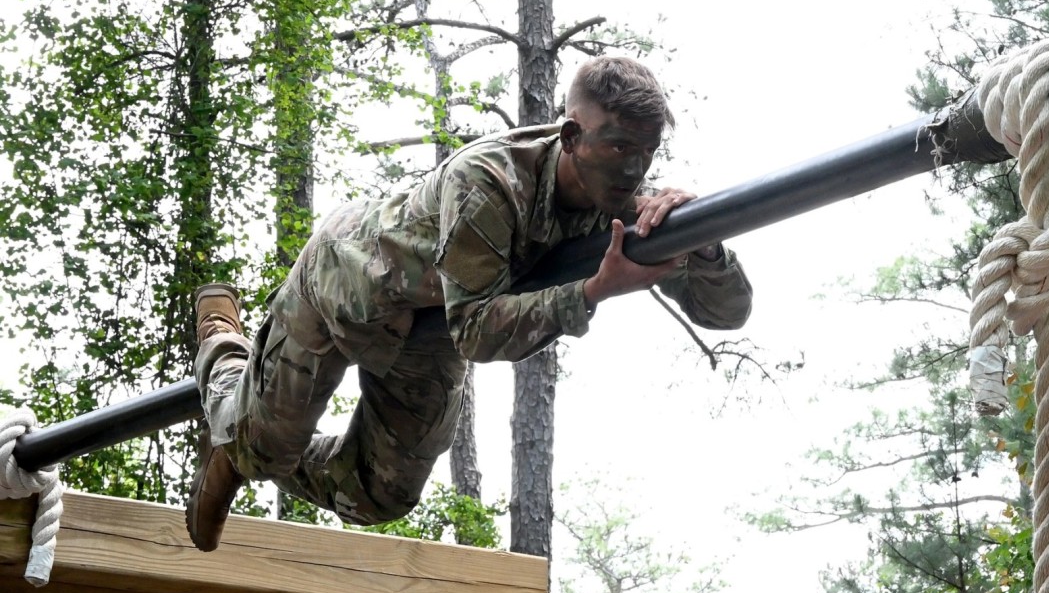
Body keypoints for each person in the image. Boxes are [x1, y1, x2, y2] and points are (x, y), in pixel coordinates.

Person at [187, 56, 753, 551]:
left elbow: (724, 313)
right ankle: (223, 350)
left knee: (381, 495)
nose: (634, 169)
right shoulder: (491, 181)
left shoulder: (632, 206)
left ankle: (254, 445)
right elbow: (477, 334)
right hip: (349, 282)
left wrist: (704, 246)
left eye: (648, 151)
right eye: (619, 146)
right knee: (260, 451)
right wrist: (594, 291)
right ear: (572, 134)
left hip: (430, 327)